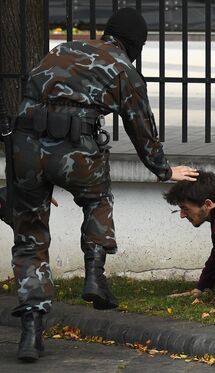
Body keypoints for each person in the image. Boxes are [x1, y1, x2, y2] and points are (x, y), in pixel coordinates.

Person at [8, 8, 198, 362]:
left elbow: (27, 98)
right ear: (135, 44)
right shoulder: (124, 69)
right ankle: (95, 276)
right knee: (97, 200)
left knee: (30, 236)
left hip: (26, 148)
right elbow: (141, 128)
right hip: (77, 149)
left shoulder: (61, 50)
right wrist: (164, 170)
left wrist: (34, 172)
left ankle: (31, 331)